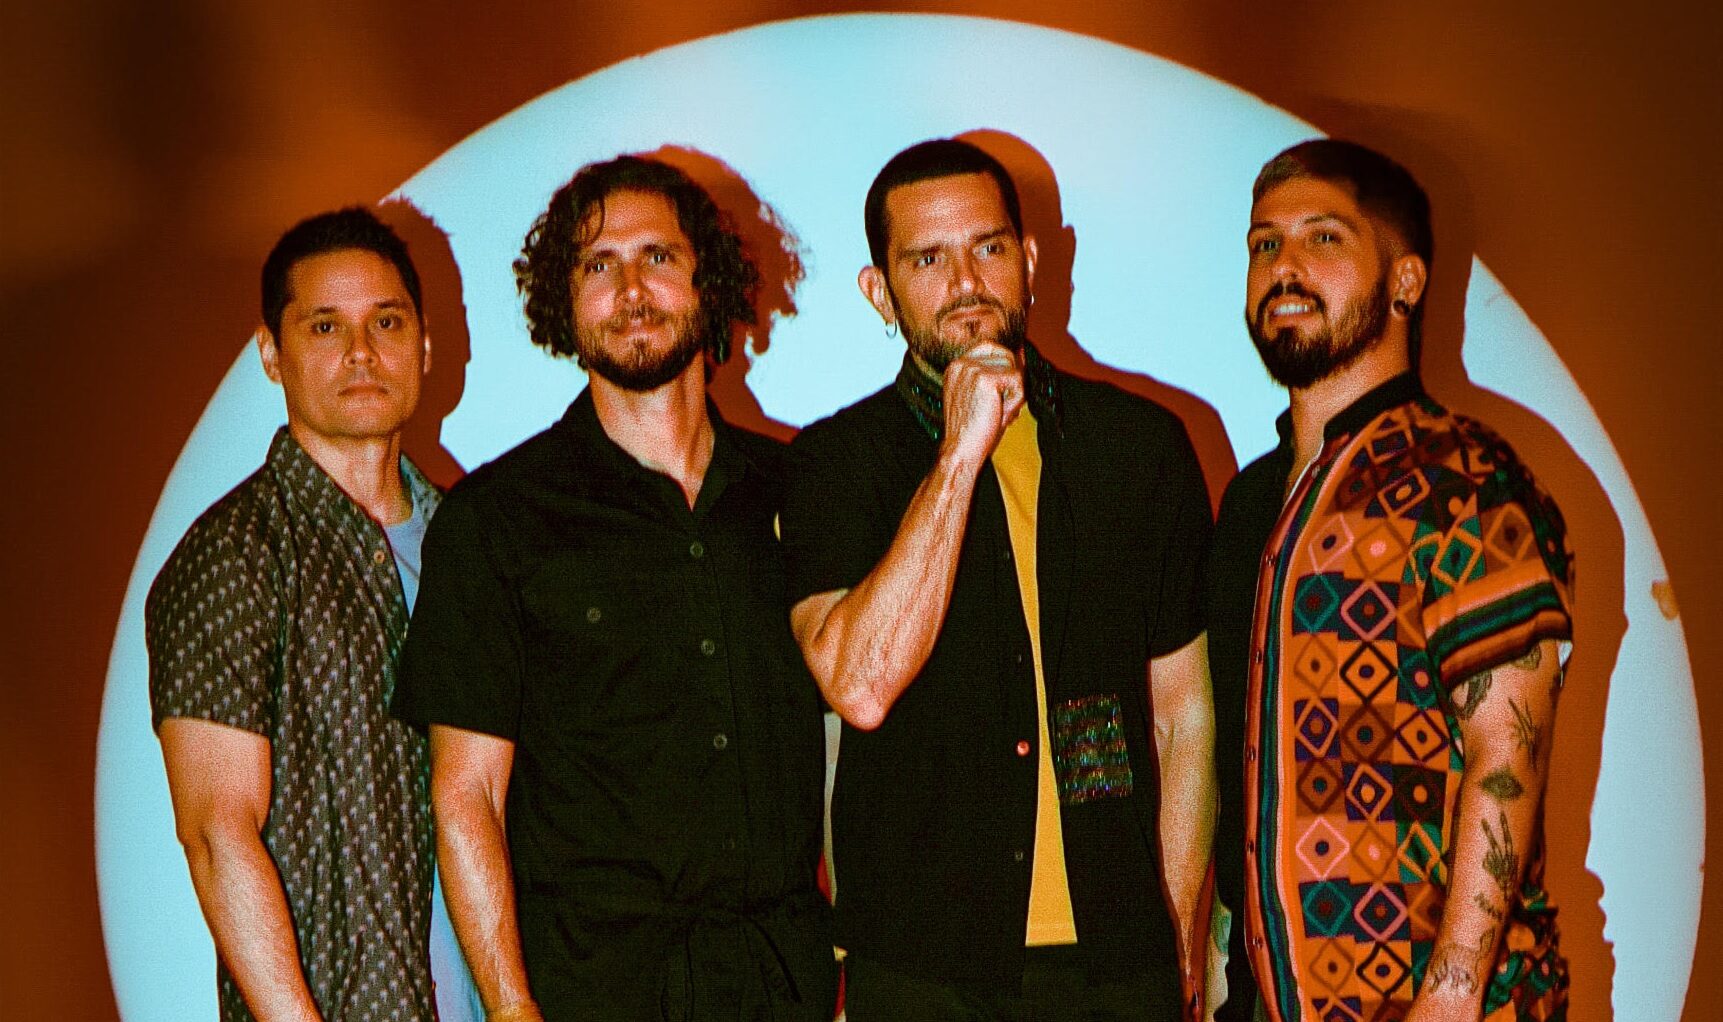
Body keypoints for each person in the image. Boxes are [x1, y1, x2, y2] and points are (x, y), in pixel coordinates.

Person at [391, 155, 838, 1021]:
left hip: (785, 983)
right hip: (594, 990)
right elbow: (467, 797)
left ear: (708, 279)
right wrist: (510, 1011)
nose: (631, 289)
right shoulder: (495, 520)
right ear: (564, 300)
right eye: (599, 265)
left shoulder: (794, 492)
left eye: (657, 257)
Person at [778, 137, 1216, 1021]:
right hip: (920, 969)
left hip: (1117, 968)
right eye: (926, 260)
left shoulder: (1138, 447)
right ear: (879, 292)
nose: (965, 283)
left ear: (1030, 261)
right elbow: (858, 685)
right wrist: (958, 454)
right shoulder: (835, 464)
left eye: (987, 248)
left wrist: (1166, 937)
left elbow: (1184, 718)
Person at [1207, 138, 1573, 1021]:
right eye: (1264, 244)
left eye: (1322, 238)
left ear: (1405, 282)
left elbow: (1505, 751)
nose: (1283, 267)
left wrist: (1451, 994)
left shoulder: (1466, 478)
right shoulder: (1251, 501)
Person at [146, 207, 480, 1021]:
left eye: (386, 322)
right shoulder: (236, 555)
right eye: (325, 326)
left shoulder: (475, 546)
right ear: (273, 353)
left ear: (424, 346)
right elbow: (218, 835)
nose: (361, 351)